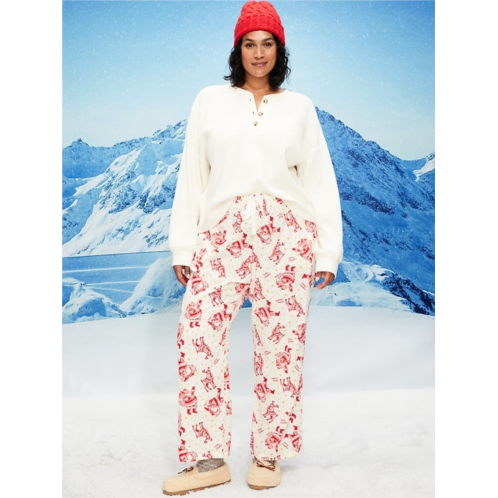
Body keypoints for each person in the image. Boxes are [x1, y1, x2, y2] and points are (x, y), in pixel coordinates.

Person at [162, 0, 343, 495]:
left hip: (287, 232)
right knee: (196, 335)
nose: (258, 53)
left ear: (279, 50)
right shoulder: (209, 100)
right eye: (249, 43)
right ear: (237, 49)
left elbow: (319, 179)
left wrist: (327, 251)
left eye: (267, 44)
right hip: (222, 231)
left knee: (281, 346)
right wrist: (183, 246)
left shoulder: (299, 107)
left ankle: (268, 453)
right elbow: (192, 174)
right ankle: (209, 459)